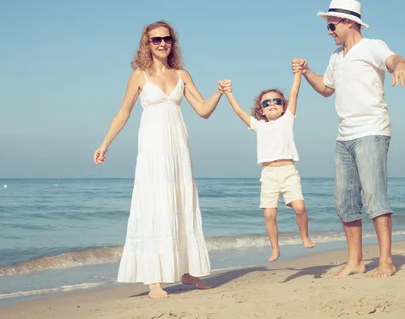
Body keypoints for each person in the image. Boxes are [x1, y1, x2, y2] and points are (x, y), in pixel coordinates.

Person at [93, 21, 223, 298]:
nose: (163, 43)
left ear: (172, 42)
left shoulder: (181, 74)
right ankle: (154, 280)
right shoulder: (139, 75)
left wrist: (219, 93)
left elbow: (203, 110)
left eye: (167, 39)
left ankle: (187, 271)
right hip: (153, 150)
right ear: (147, 44)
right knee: (154, 204)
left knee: (181, 201)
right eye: (156, 40)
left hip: (178, 150)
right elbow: (123, 112)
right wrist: (105, 143)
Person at [292, 0, 405, 279]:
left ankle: (386, 261)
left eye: (332, 25)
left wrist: (401, 67)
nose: (329, 31)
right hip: (343, 136)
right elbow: (325, 89)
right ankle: (356, 261)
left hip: (371, 131)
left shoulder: (372, 46)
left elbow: (394, 59)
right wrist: (307, 71)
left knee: (374, 197)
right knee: (344, 201)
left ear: (349, 22)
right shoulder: (336, 57)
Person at [218, 72, 315, 262]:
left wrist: (297, 74)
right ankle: (275, 248)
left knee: (300, 207)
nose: (271, 104)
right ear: (261, 110)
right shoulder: (258, 125)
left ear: (284, 106)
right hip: (269, 174)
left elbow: (294, 93)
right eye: (266, 103)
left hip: (288, 172)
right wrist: (227, 93)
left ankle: (304, 235)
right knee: (269, 214)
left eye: (276, 101)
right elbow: (239, 111)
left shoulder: (288, 119)